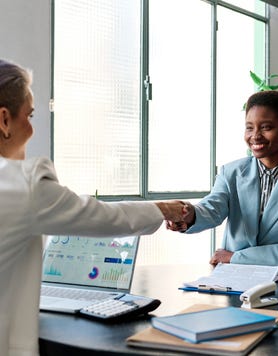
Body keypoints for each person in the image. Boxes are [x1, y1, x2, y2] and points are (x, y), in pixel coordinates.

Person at [0, 59, 186, 356]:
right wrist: (163, 208)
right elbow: (103, 217)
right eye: (30, 116)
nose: (32, 129)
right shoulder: (23, 184)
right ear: (4, 120)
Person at [167, 90, 278, 269]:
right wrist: (188, 214)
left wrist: (236, 257)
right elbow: (212, 208)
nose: (255, 136)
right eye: (249, 127)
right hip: (232, 282)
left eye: (266, 127)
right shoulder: (230, 172)